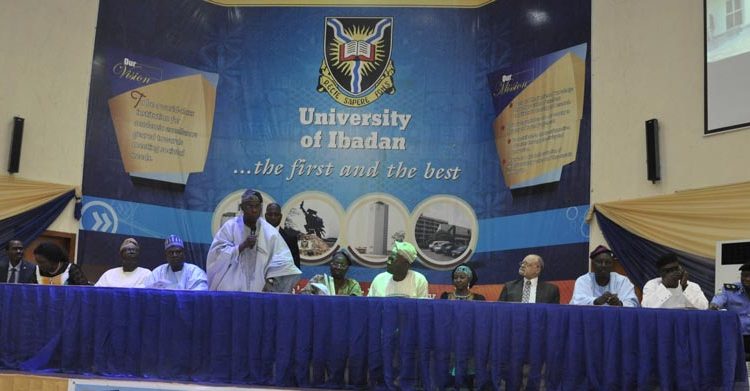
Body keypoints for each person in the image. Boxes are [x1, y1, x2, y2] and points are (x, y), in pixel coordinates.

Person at [207, 189, 301, 293]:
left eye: (257, 206)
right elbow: (216, 255)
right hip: (231, 291)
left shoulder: (269, 232)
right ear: (242, 207)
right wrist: (242, 246)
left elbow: (284, 262)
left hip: (260, 292)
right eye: (250, 206)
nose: (254, 210)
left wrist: (271, 280)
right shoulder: (230, 227)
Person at [570, 245, 639, 307]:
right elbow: (577, 302)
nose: (603, 265)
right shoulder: (583, 280)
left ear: (612, 266)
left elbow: (633, 303)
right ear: (593, 265)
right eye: (599, 262)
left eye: (608, 262)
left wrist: (619, 303)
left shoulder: (623, 281)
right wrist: (596, 301)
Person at [711, 262, 750, 358]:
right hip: (736, 337)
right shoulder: (730, 290)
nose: (747, 279)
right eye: (744, 275)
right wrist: (714, 306)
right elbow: (716, 303)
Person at [641, 252, 708, 309]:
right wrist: (665, 286)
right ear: (660, 273)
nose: (673, 273)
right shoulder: (652, 285)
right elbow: (646, 307)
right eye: (669, 271)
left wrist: (685, 287)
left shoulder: (692, 286)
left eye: (676, 269)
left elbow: (704, 307)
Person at [143, 235, 207, 290]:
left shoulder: (195, 272)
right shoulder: (158, 273)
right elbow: (148, 293)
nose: (175, 255)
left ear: (184, 254)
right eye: (171, 252)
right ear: (166, 255)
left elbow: (200, 295)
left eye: (178, 252)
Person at [264, 202, 301, 269]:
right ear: (265, 216)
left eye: (276, 214)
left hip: (282, 277)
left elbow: (295, 266)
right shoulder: (258, 235)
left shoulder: (290, 238)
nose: (273, 217)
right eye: (270, 214)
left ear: (281, 216)